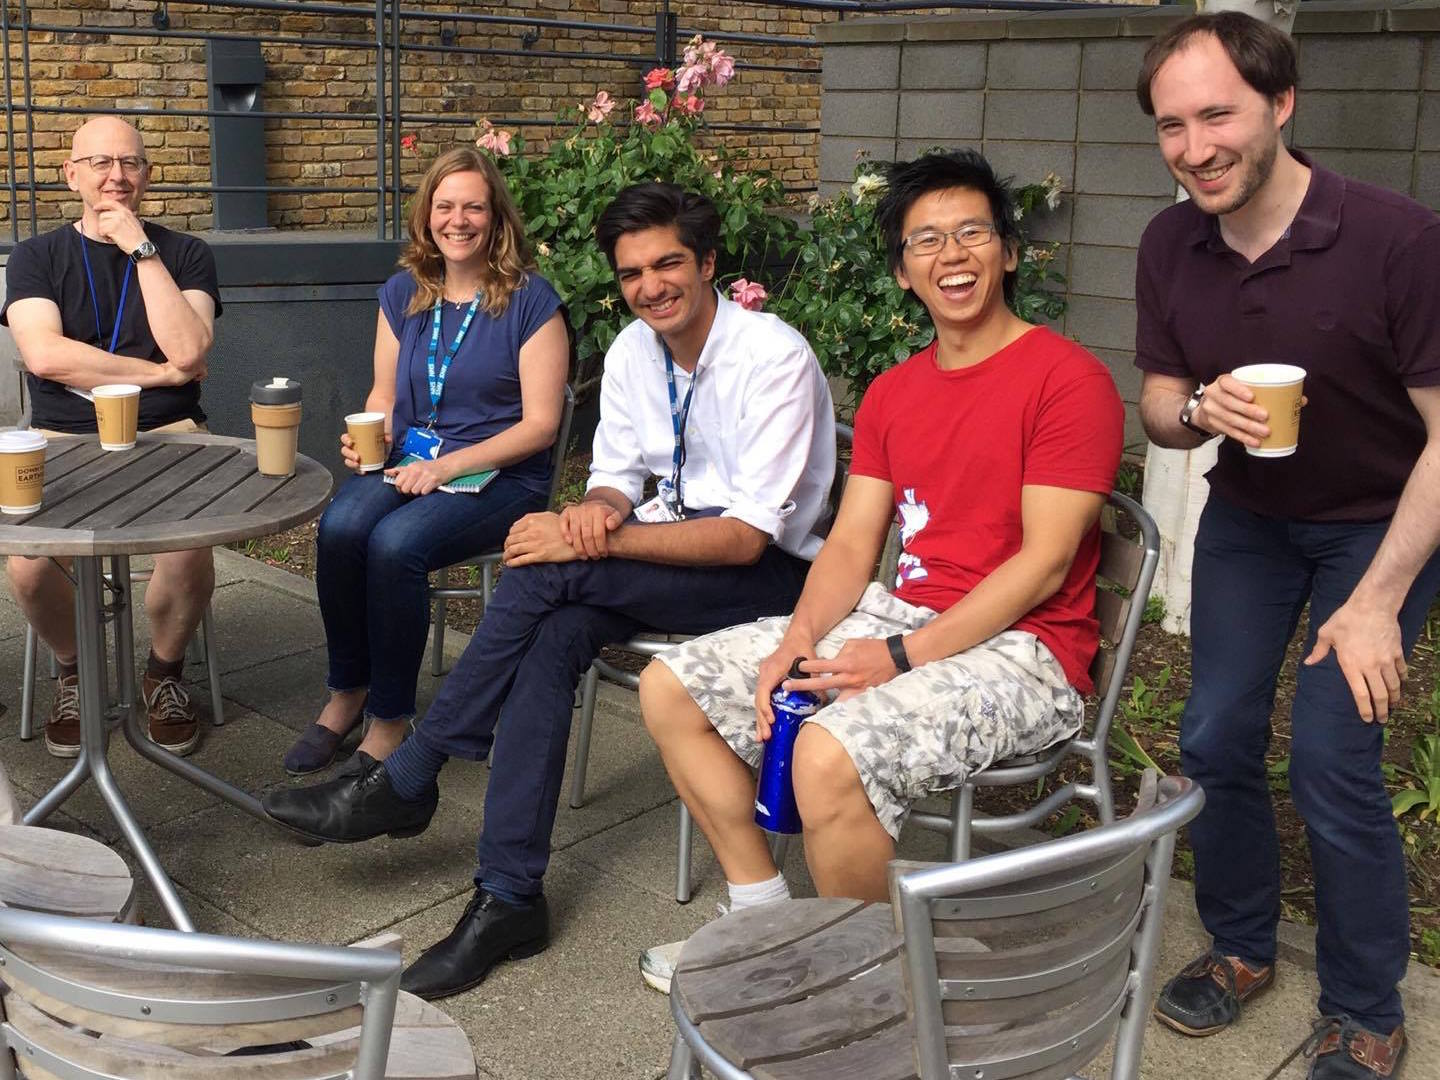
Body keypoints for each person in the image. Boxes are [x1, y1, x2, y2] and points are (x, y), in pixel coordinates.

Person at [261, 182, 836, 1000]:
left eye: (669, 263)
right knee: (551, 637)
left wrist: (584, 537)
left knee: (551, 569)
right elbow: (614, 479)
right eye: (633, 272)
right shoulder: (639, 350)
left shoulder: (771, 356)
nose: (651, 286)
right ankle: (509, 899)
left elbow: (747, 537)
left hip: (763, 577)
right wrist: (594, 513)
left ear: (708, 263)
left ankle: (411, 774)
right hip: (662, 561)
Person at [636, 149, 1124, 993]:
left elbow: (1045, 566)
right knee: (667, 687)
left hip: (1026, 650)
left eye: (972, 232)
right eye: (926, 241)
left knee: (827, 753)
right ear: (903, 273)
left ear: (1009, 252)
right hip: (900, 616)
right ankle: (766, 920)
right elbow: (854, 545)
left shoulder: (1067, 380)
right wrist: (799, 636)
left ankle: (865, 985)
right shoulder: (897, 391)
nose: (952, 255)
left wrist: (898, 659)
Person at [1133, 14, 1440, 1078]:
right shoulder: (1172, 242)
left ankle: (1366, 1005)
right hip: (1251, 525)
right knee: (1214, 735)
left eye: (1217, 113)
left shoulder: (1396, 238)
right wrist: (1197, 416)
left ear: (1281, 104)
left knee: (1332, 756)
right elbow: (1160, 406)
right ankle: (1240, 948)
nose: (1195, 146)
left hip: (1380, 527)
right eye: (1172, 125)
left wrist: (1377, 600)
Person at [280, 147, 570, 775]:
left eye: (473, 206)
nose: (457, 220)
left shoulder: (531, 303)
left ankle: (390, 719)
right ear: (426, 215)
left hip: (501, 475)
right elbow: (384, 395)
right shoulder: (403, 293)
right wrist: (369, 433)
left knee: (394, 545)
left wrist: (446, 467)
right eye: (445, 206)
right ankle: (346, 692)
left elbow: (541, 426)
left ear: (496, 219)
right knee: (341, 527)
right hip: (413, 460)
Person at [1, 116, 220, 759]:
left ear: (147, 176)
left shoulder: (185, 253)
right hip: (60, 433)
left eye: (129, 163)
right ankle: (75, 671)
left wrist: (140, 250)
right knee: (29, 562)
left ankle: (164, 674)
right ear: (72, 175)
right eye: (99, 163)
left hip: (171, 431)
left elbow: (191, 347)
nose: (115, 176)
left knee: (189, 546)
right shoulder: (37, 256)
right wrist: (161, 372)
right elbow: (43, 355)